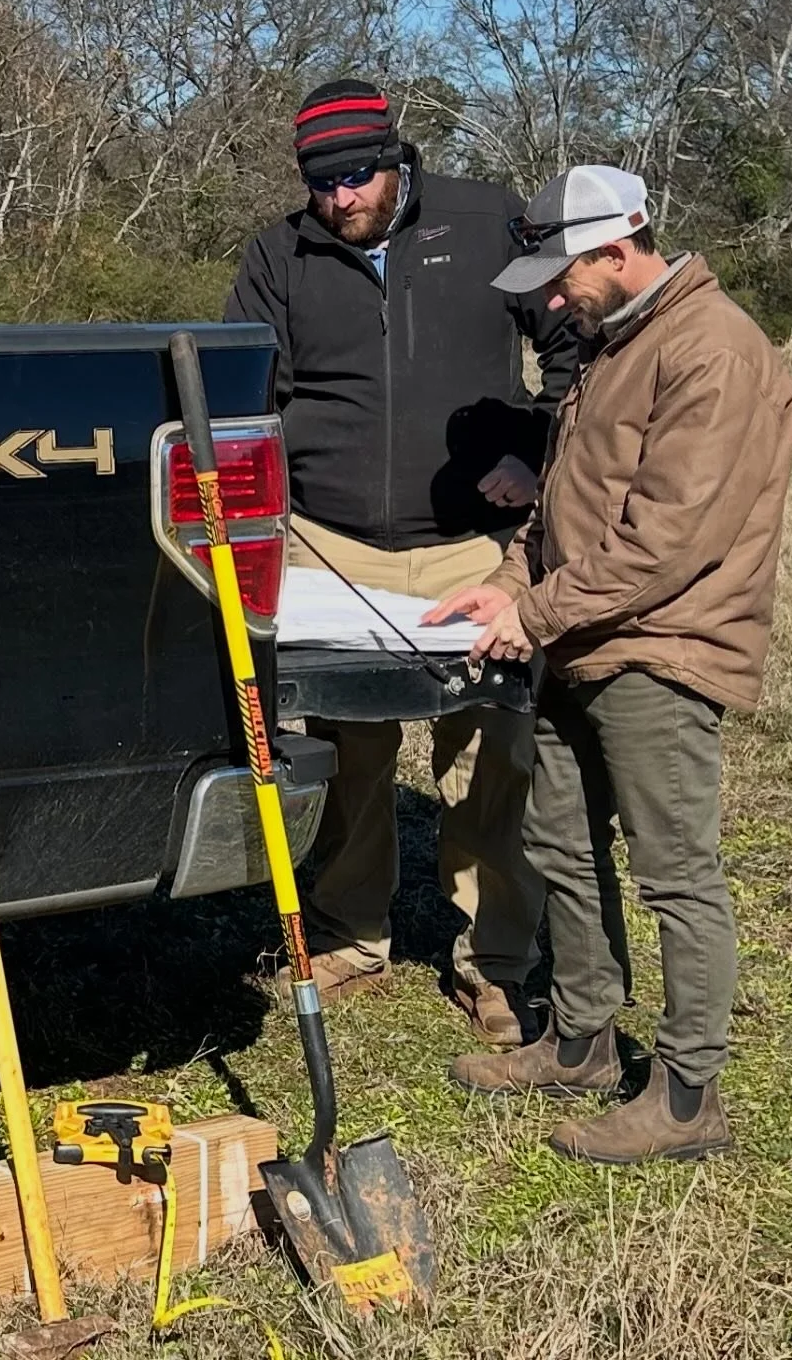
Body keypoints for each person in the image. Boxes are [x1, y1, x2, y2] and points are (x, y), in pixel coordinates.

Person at [426, 165, 792, 1161]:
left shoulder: (713, 352)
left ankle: (685, 1101)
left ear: (617, 246)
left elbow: (665, 541)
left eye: (562, 276)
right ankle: (582, 1043)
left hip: (662, 649)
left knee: (676, 876)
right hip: (579, 641)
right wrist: (507, 586)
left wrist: (533, 613)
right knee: (563, 847)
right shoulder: (614, 342)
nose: (552, 299)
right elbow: (561, 503)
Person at [225, 80, 580, 1044]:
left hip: (477, 547)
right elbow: (246, 391)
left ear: (399, 158)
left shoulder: (488, 220)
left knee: (492, 757)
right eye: (321, 183)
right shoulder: (278, 254)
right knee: (349, 750)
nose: (340, 199)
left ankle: (496, 959)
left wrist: (537, 448)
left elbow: (578, 349)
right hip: (334, 548)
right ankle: (349, 929)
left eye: (358, 176)